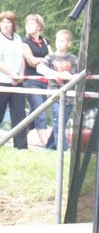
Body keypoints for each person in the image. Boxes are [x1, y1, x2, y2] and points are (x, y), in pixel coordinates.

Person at [36, 29, 78, 151]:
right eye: (57, 40)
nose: (59, 43)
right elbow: (40, 68)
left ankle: (49, 148)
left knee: (60, 124)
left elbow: (81, 74)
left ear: (69, 44)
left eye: (62, 41)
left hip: (69, 98)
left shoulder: (74, 59)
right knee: (58, 122)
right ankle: (63, 150)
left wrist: (70, 77)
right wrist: (56, 74)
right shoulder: (50, 57)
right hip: (54, 97)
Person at [22, 14, 52, 147]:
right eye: (27, 24)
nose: (28, 26)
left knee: (35, 113)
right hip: (31, 81)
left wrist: (42, 60)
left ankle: (19, 135)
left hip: (45, 82)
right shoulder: (25, 43)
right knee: (40, 112)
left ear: (39, 26)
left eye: (32, 23)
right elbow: (31, 61)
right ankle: (47, 145)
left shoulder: (45, 42)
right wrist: (45, 59)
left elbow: (53, 59)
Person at [0, 10, 27, 149]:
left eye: (8, 22)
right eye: (3, 22)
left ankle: (21, 147)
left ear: (13, 24)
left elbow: (22, 58)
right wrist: (11, 74)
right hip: (2, 82)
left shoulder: (17, 38)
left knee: (19, 115)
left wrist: (20, 75)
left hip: (17, 83)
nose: (5, 25)